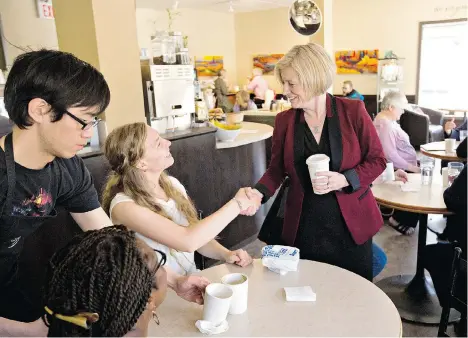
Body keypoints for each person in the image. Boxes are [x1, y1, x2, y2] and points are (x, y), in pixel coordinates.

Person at [0, 51, 214, 336]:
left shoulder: (68, 169)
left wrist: (173, 280)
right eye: (84, 121)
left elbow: (115, 240)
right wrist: (29, 332)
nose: (89, 133)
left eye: (94, 122)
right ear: (39, 109)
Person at [251, 43, 387, 280]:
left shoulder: (353, 111)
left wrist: (345, 179)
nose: (285, 90)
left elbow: (377, 160)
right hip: (304, 226)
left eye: (291, 83)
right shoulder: (285, 121)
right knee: (308, 293)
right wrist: (257, 194)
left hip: (350, 226)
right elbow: (276, 170)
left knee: (354, 294)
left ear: (313, 79)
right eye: (283, 83)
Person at [102, 123, 258, 277]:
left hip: (190, 282)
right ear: (141, 163)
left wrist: (226, 254)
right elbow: (188, 240)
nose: (168, 143)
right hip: (158, 295)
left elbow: (197, 236)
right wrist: (238, 204)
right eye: (158, 143)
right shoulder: (124, 207)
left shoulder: (172, 185)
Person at [43, 225, 167, 337]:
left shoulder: (64, 320)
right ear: (148, 301)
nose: (164, 269)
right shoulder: (136, 326)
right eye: (159, 263)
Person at [373, 91, 421, 235]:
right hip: (398, 168)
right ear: (392, 107)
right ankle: (399, 219)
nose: (403, 111)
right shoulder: (384, 125)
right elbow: (390, 155)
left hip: (404, 165)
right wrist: (413, 167)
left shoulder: (389, 122)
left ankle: (405, 219)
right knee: (420, 183)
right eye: (402, 107)